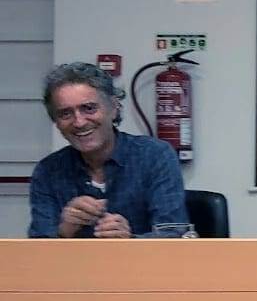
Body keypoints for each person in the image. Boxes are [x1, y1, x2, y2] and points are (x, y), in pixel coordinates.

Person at [28, 62, 188, 238]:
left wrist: (130, 241)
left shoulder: (155, 156)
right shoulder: (48, 171)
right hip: (77, 266)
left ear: (113, 108)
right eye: (65, 113)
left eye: (89, 108)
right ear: (56, 122)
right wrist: (64, 230)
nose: (79, 122)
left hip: (143, 265)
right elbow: (36, 252)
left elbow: (174, 235)